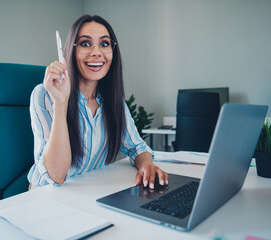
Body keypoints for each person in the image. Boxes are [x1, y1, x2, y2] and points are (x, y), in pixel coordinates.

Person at [28, 14, 168, 190]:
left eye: (104, 44)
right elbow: (56, 176)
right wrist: (61, 104)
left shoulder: (114, 102)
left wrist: (146, 165)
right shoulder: (44, 95)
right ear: (71, 51)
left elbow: (137, 147)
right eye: (85, 44)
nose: (96, 52)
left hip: (87, 193)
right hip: (45, 197)